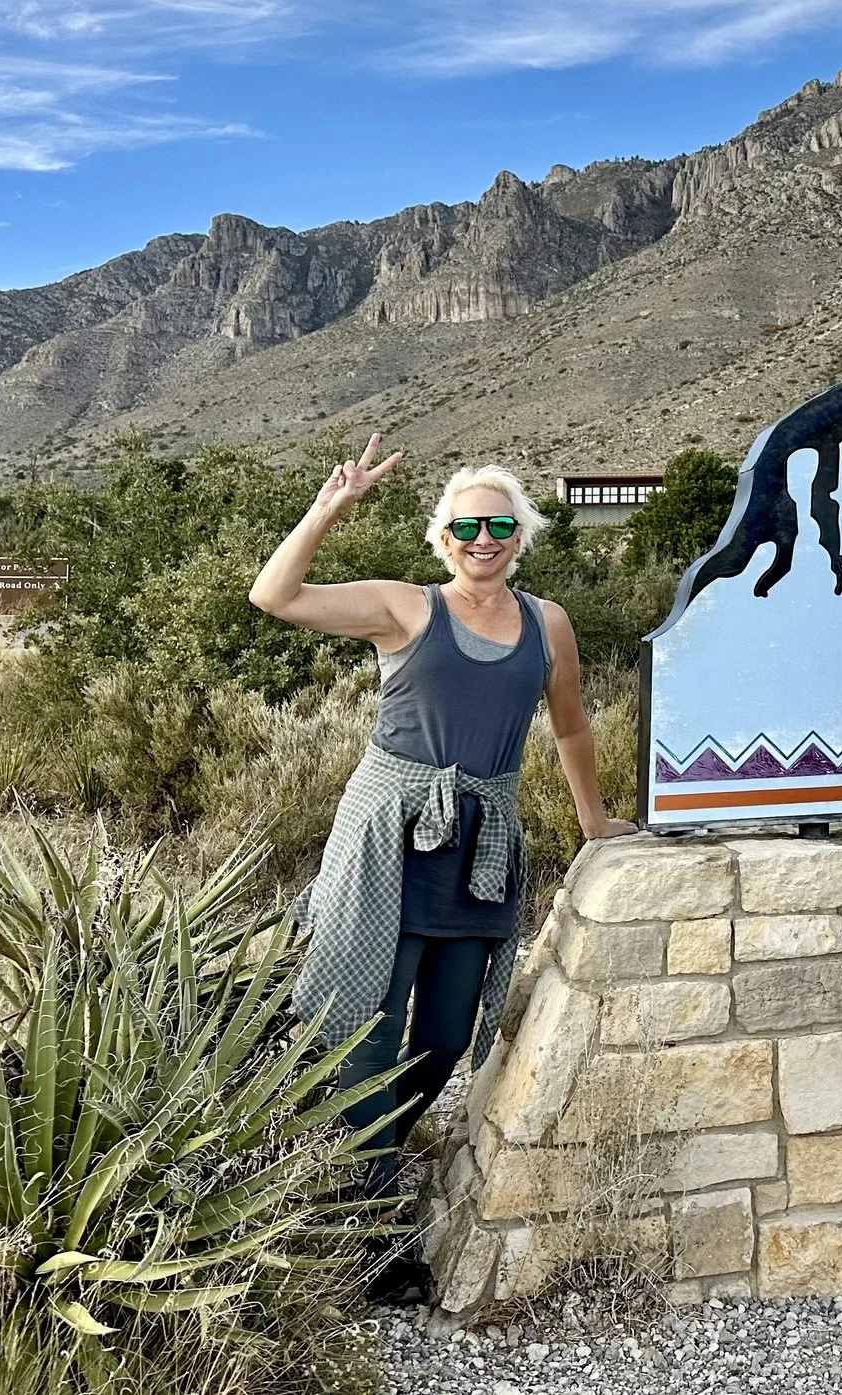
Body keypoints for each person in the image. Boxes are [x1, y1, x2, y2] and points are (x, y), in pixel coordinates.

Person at [249, 435, 637, 1225]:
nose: (482, 541)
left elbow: (569, 726)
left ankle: (359, 1152)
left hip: (478, 846)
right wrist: (329, 510)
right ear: (443, 539)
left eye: (498, 527)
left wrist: (592, 818)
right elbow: (275, 595)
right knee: (366, 1028)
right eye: (466, 530)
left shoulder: (547, 623)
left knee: (447, 1034)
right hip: (386, 838)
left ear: (520, 536)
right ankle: (368, 1219)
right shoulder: (405, 607)